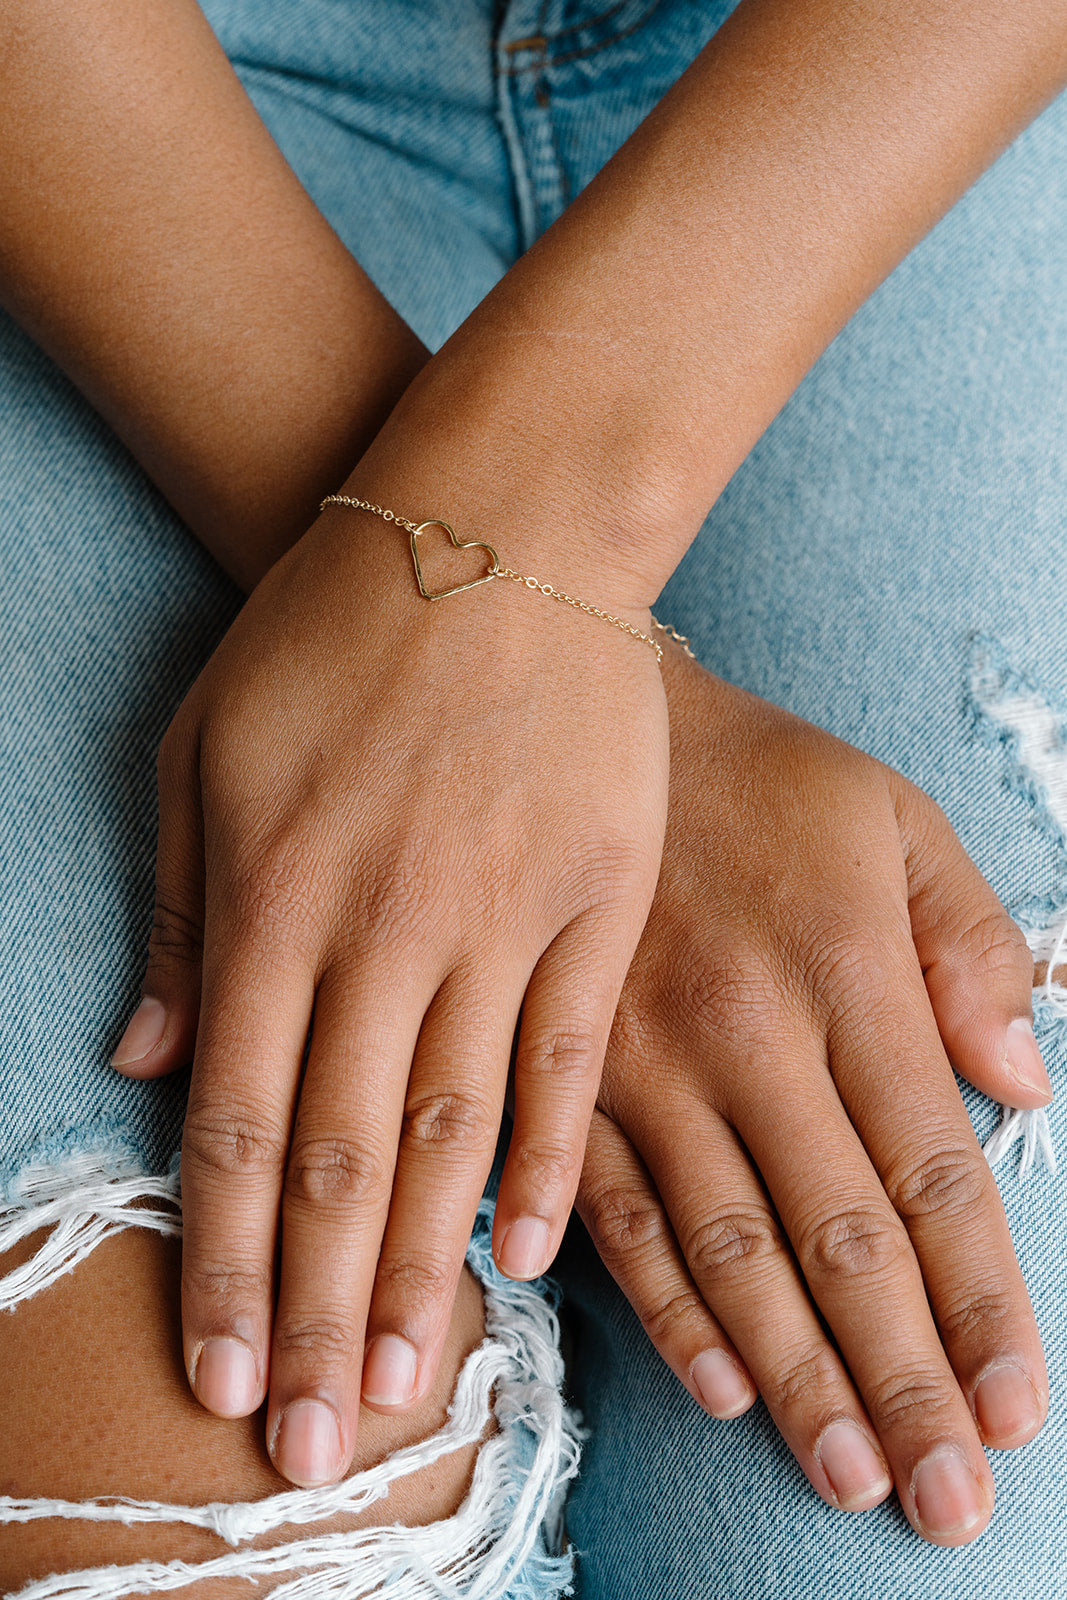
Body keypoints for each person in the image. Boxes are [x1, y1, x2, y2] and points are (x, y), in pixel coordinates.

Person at [1, 0, 1065, 1594]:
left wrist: (523, 573)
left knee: (933, 1535)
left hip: (886, 76)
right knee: (239, 1537)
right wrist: (504, 632)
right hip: (99, 98)